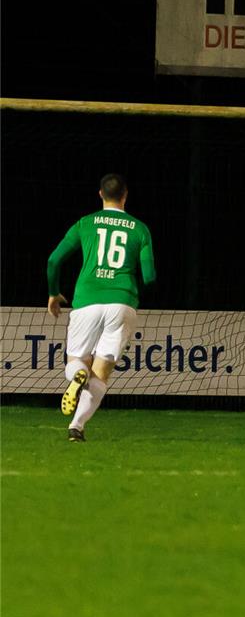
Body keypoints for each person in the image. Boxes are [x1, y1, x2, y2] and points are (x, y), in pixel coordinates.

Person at [46, 173, 157, 442]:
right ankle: (77, 427)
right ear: (125, 195)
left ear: (100, 195)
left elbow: (53, 261)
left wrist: (53, 294)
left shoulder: (85, 223)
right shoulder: (139, 229)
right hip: (122, 303)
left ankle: (78, 375)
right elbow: (150, 276)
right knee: (102, 373)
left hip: (86, 302)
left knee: (75, 363)